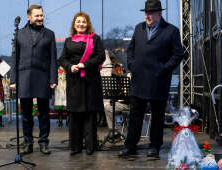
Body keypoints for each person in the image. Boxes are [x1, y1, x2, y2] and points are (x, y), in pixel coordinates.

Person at [119, 0, 184, 158]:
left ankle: (154, 147)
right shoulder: (139, 28)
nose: (147, 15)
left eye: (151, 12)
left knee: (157, 115)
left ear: (159, 13)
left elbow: (178, 54)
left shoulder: (171, 30)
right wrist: (131, 65)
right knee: (135, 114)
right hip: (139, 79)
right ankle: (130, 146)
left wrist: (164, 68)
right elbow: (130, 49)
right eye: (146, 12)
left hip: (158, 80)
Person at [9, 5, 58, 155]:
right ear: (29, 17)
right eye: (37, 16)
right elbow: (15, 59)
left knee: (44, 113)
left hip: (43, 76)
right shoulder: (19, 34)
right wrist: (13, 79)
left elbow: (53, 59)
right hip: (24, 76)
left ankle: (43, 142)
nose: (40, 18)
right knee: (26, 114)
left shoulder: (49, 34)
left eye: (42, 15)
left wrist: (53, 78)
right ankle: (28, 143)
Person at [59, 12, 105, 156]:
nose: (81, 24)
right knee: (75, 115)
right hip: (74, 82)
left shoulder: (95, 39)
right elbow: (63, 59)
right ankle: (76, 147)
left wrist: (84, 64)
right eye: (78, 22)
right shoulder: (68, 41)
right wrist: (69, 67)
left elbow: (100, 56)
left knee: (90, 115)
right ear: (74, 24)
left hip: (90, 81)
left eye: (83, 22)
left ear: (87, 24)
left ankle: (91, 146)